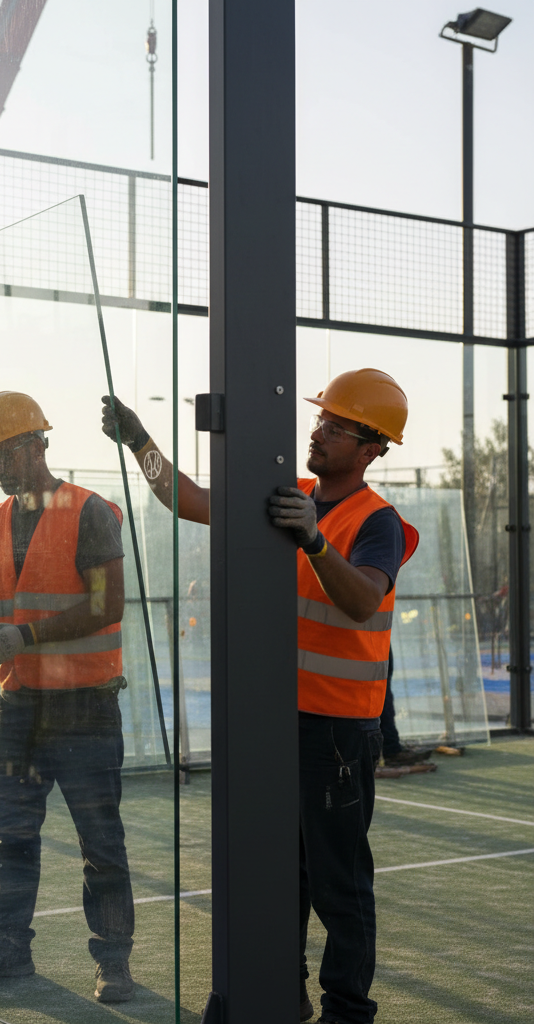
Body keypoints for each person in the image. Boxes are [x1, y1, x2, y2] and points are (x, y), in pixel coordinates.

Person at [101, 369, 419, 1024]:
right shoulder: (294, 496)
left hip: (337, 732)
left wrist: (314, 538)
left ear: (372, 448)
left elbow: (362, 600)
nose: (320, 430)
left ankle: (348, 1012)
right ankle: (286, 994)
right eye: (322, 418)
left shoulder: (376, 520)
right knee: (282, 876)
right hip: (279, 720)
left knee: (339, 885)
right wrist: (139, 442)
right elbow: (186, 499)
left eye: (338, 426)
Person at [0, 391, 137, 1004]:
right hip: (22, 710)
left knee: (102, 844)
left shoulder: (89, 512)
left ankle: (113, 964)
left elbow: (106, 605)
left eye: (6, 451)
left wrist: (25, 636)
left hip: (86, 708)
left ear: (38, 443)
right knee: (13, 838)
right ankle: (9, 949)